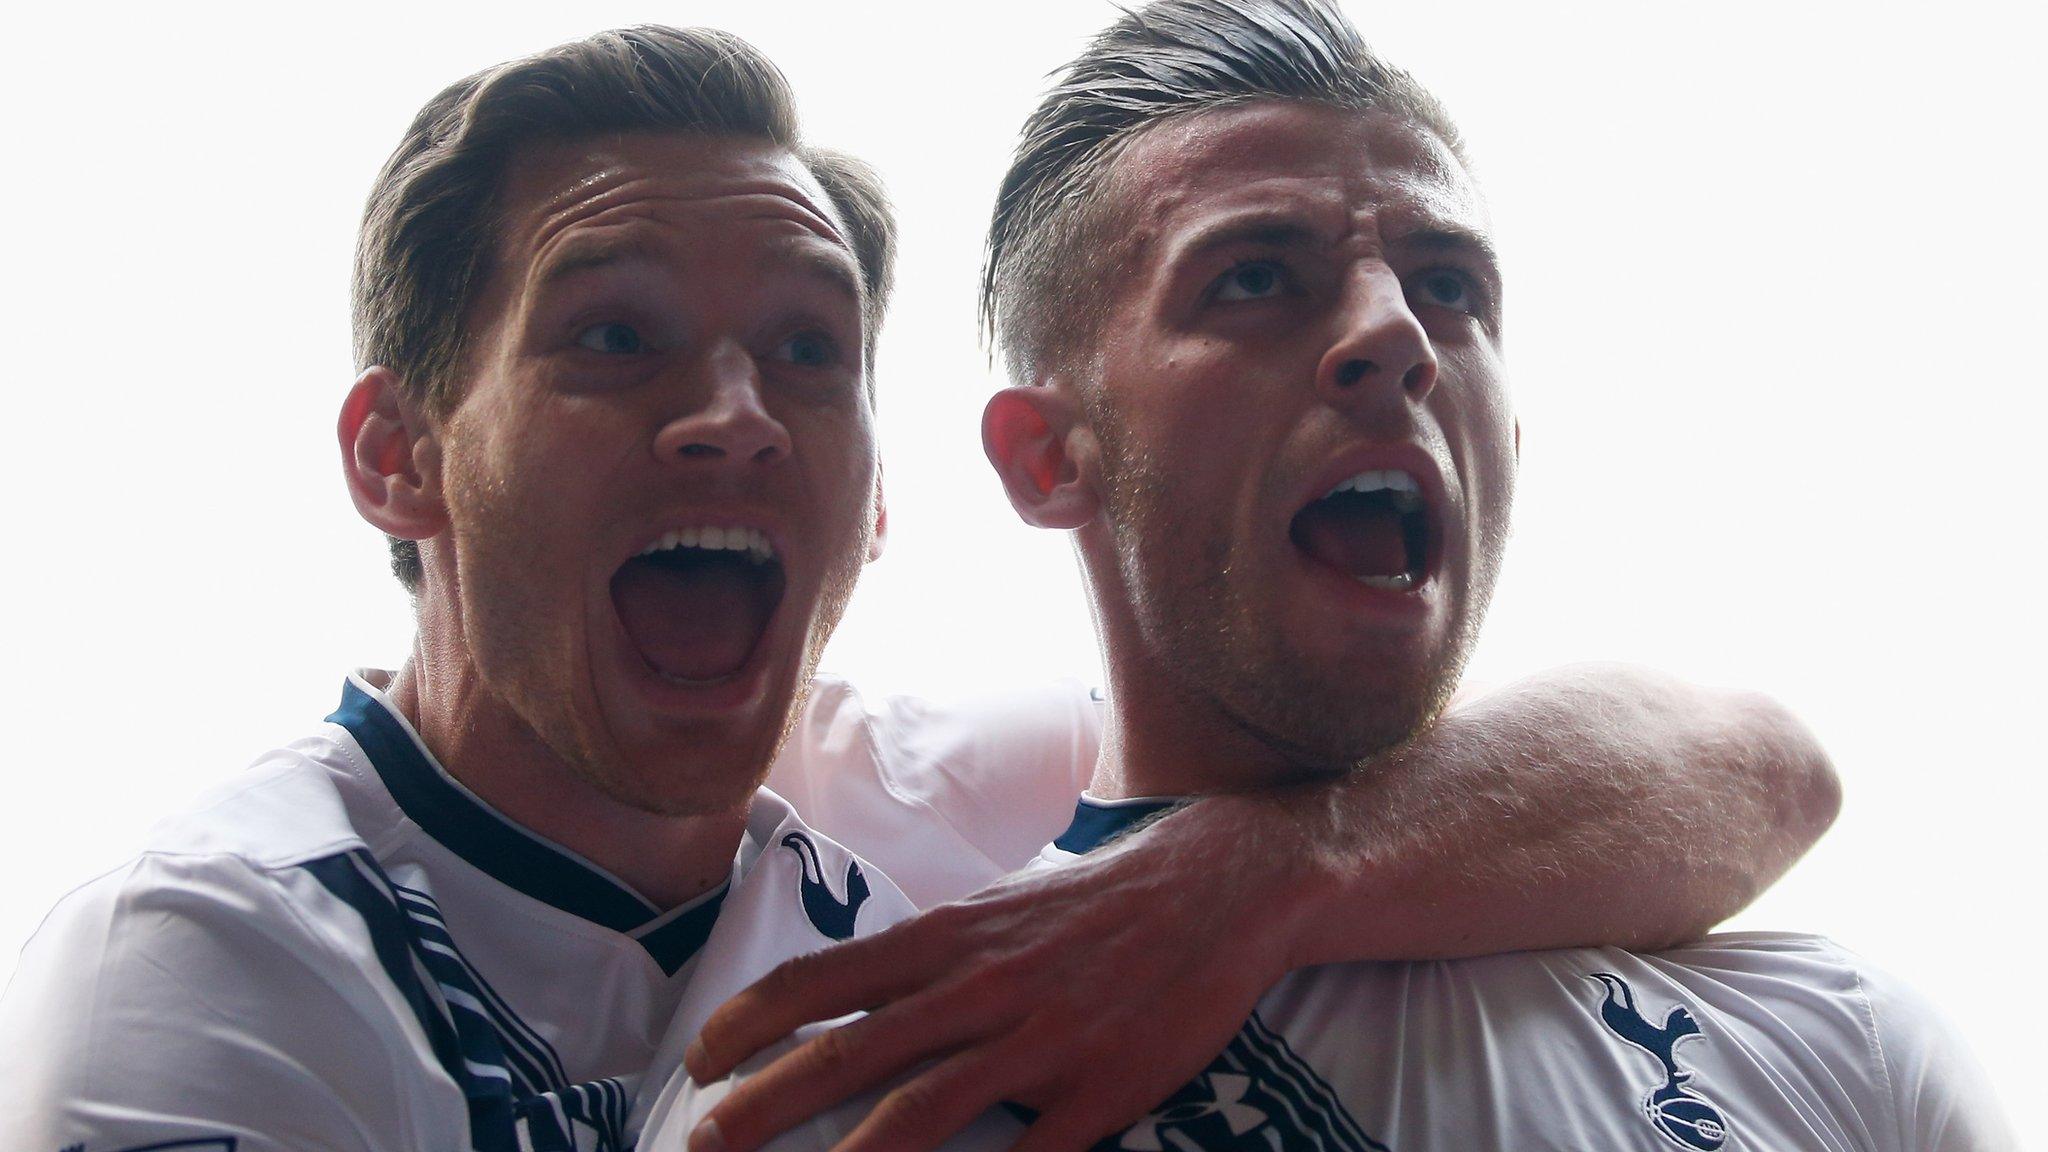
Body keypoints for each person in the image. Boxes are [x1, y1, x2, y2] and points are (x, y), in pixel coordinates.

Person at [1, 21, 1835, 1152]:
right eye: (617, 337)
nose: (733, 419)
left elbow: (1753, 762)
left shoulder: (934, 814)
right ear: (399, 458)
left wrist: (1270, 876)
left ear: (877, 505)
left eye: (809, 354)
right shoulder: (213, 956)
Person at [661, 2, 2016, 1150]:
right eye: (1256, 279)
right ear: (1046, 458)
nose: (1393, 337)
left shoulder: (1842, 1042)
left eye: (1450, 288)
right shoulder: (883, 1078)